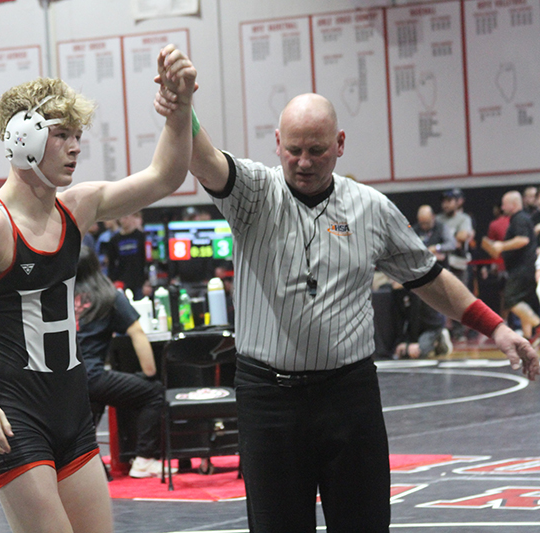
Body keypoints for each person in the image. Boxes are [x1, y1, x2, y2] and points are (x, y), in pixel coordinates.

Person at [154, 86, 539, 531]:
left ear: (339, 144)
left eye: (317, 150)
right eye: (293, 149)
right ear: (277, 143)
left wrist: (497, 329)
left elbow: (428, 278)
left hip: (348, 397)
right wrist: (183, 111)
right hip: (269, 401)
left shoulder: (371, 209)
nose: (303, 161)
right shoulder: (254, 194)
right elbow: (203, 159)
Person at [0, 45, 195, 533]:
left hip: (73, 414)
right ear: (22, 139)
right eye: (61, 135)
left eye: (77, 136)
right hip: (15, 421)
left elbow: (166, 176)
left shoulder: (78, 207)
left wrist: (180, 113)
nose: (75, 147)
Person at [74, 246, 169, 479]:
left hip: (64, 378)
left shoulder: (57, 296)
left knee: (91, 405)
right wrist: (149, 372)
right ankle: (145, 459)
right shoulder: (108, 296)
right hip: (93, 376)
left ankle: (89, 469)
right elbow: (136, 332)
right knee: (154, 393)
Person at [481, 191, 540, 340]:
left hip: (521, 269)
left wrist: (501, 246)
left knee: (510, 299)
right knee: (523, 301)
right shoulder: (519, 219)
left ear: (513, 205)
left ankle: (537, 324)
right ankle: (528, 338)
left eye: (504, 203)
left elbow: (523, 240)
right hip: (522, 268)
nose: (502, 207)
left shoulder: (519, 219)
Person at [105, 212, 146, 298]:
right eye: (121, 218)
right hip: (122, 280)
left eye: (126, 217)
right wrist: (113, 280)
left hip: (139, 281)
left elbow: (145, 259)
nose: (123, 221)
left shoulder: (141, 236)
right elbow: (111, 263)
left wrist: (146, 281)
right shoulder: (114, 240)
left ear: (133, 217)